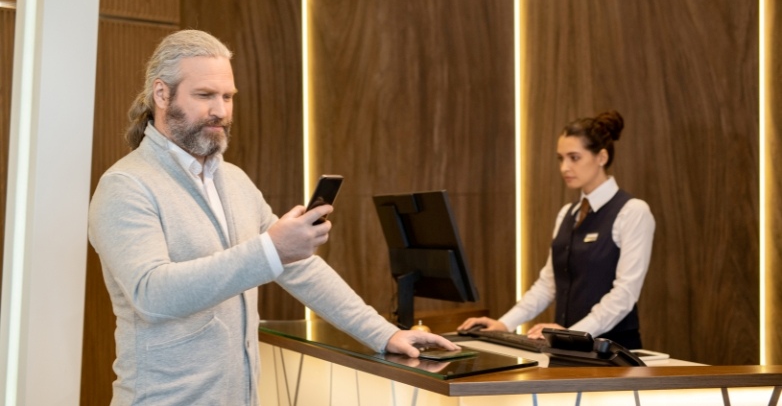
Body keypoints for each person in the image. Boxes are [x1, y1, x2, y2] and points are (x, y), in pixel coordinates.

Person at [88, 29, 457, 406]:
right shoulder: (126, 186)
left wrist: (382, 334)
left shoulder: (233, 180)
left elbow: (299, 268)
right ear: (162, 94)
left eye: (228, 96)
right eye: (205, 95)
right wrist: (270, 250)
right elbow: (152, 295)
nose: (221, 110)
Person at [458, 110, 655, 349]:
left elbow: (625, 295)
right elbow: (548, 285)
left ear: (601, 157)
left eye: (574, 157)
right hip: (567, 348)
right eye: (560, 158)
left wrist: (574, 333)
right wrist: (504, 323)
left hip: (613, 350)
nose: (564, 167)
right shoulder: (567, 214)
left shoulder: (632, 211)